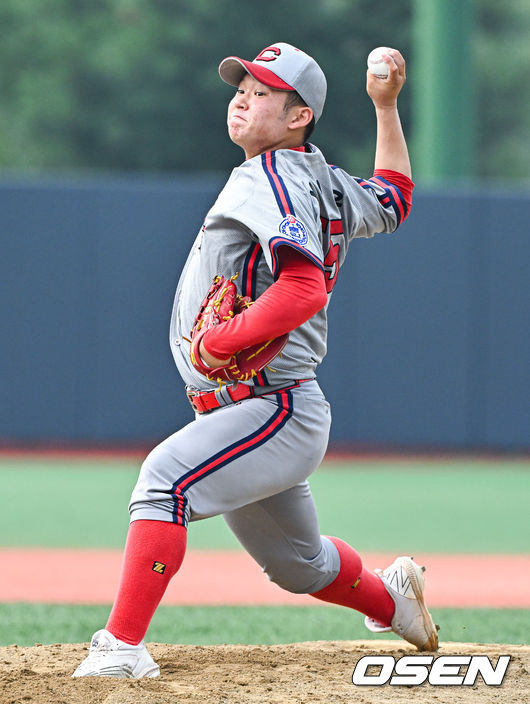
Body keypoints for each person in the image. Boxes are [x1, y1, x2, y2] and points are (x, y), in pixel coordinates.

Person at [73, 41, 438, 679]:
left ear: (299, 116)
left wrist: (219, 341)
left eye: (263, 91)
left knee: (164, 481)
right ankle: (392, 599)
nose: (243, 96)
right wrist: (386, 107)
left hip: (273, 407)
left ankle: (121, 650)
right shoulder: (320, 178)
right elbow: (395, 197)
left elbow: (304, 288)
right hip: (257, 412)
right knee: (302, 567)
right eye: (242, 86)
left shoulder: (272, 176)